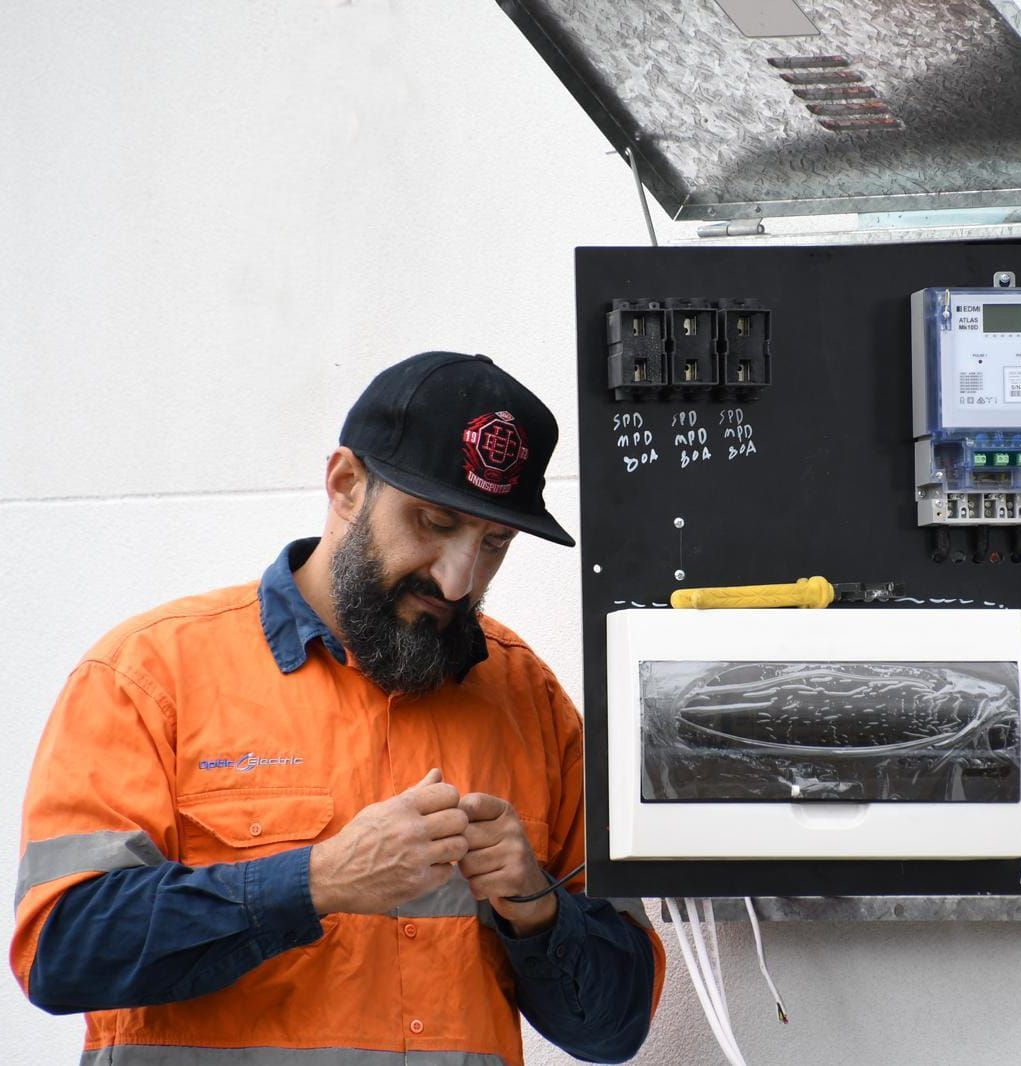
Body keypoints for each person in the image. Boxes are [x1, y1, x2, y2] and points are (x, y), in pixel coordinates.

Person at [11, 351, 665, 1065]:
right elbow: (62, 949)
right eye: (435, 521)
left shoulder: (529, 701)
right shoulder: (150, 673)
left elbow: (614, 1031)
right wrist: (317, 881)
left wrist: (537, 908)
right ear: (346, 484)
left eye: (494, 543)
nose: (458, 580)